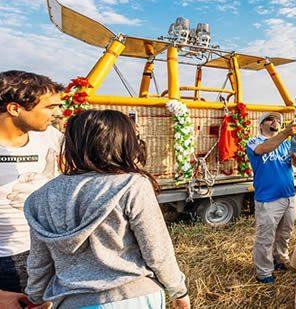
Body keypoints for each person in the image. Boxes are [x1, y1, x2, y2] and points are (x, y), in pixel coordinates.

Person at [24, 110, 190, 308]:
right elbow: (157, 250)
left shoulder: (39, 198)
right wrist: (178, 291)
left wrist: (35, 297)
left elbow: (39, 262)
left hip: (72, 301)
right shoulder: (132, 185)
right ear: (123, 143)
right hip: (134, 296)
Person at [0, 71, 63, 298]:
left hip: (44, 252)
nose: (57, 114)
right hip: (5, 259)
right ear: (14, 108)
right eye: (49, 107)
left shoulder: (51, 138)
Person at [246, 112, 296, 284]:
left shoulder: (286, 144)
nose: (276, 121)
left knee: (285, 233)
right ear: (261, 124)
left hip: (289, 195)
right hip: (268, 198)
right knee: (265, 236)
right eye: (271, 119)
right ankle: (263, 271)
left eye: (278, 120)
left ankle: (280, 258)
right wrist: (286, 132)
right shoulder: (254, 141)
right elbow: (262, 150)